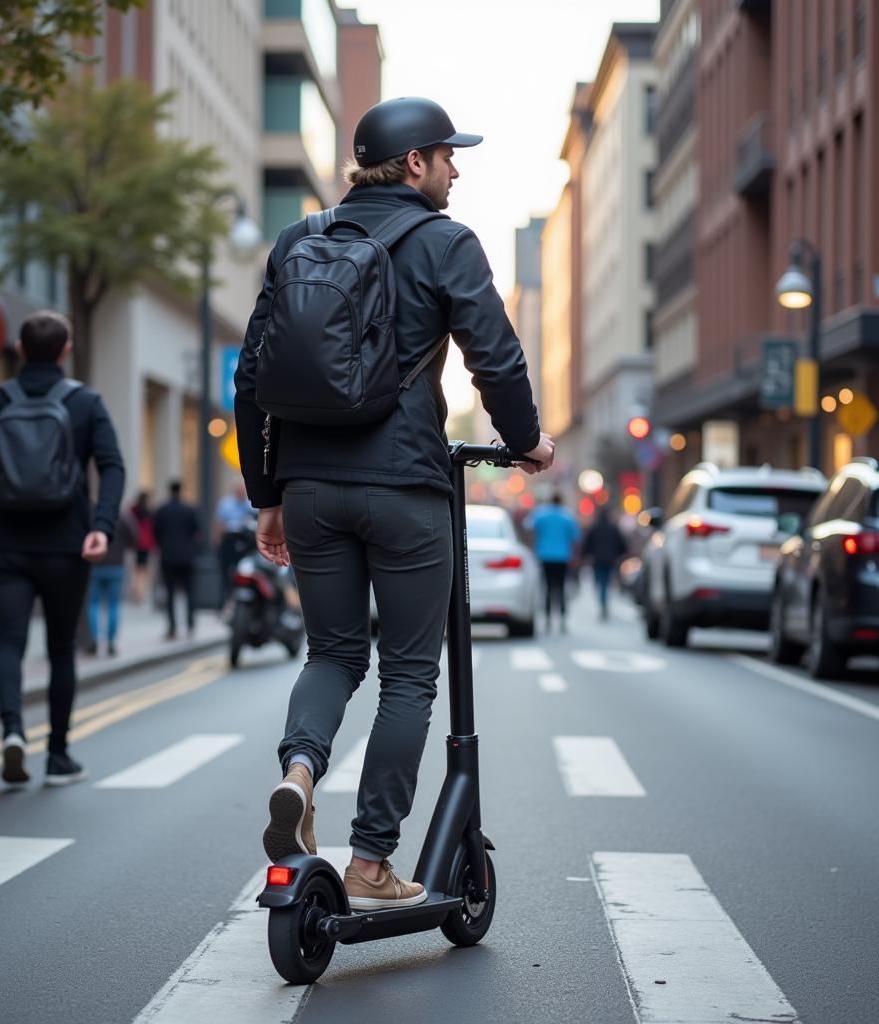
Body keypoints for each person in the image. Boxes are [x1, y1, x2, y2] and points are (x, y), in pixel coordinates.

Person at [235, 97, 554, 910]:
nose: (456, 167)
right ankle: (372, 862)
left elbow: (250, 378)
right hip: (408, 485)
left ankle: (300, 773)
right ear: (414, 163)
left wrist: (267, 495)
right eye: (448, 154)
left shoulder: (298, 240)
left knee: (333, 654)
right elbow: (497, 356)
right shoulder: (446, 241)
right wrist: (527, 441)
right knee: (410, 675)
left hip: (308, 487)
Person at [0, 311, 125, 788]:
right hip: (66, 542)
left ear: (18, 347)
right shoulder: (85, 402)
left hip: (4, 542)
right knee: (60, 650)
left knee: (9, 643)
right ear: (65, 349)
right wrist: (102, 526)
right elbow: (112, 466)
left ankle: (13, 731)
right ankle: (57, 755)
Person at [153, 480, 201, 640]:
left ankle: (172, 627)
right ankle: (190, 624)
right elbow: (197, 532)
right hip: (187, 557)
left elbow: (156, 532)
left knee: (170, 593)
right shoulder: (189, 510)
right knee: (190, 592)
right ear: (180, 491)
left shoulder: (161, 510)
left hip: (167, 556)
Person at [87, 511, 136, 656]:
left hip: (95, 565)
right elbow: (133, 539)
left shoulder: (92, 516)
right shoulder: (123, 518)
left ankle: (94, 639)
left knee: (93, 604)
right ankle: (110, 642)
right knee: (113, 605)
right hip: (116, 566)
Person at [530, 493, 580, 633]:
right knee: (561, 588)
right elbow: (575, 538)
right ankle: (563, 619)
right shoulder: (567, 516)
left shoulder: (540, 514)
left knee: (547, 587)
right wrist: (575, 557)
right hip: (563, 557)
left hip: (544, 555)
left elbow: (531, 530)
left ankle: (547, 619)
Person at [582, 508, 629, 620]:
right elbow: (622, 544)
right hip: (610, 559)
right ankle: (604, 601)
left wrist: (585, 555)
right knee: (606, 582)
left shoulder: (594, 528)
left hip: (597, 559)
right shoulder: (613, 528)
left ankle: (602, 601)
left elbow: (587, 543)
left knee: (600, 582)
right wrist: (620, 554)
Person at [215, 481, 254, 602]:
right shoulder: (226, 504)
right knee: (225, 574)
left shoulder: (250, 504)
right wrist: (217, 544)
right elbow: (219, 525)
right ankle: (223, 602)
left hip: (245, 542)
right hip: (229, 542)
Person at [129, 492, 155, 603]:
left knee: (136, 568)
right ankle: (140, 592)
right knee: (142, 569)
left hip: (135, 541)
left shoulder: (134, 510)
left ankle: (136, 591)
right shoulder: (149, 512)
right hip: (145, 543)